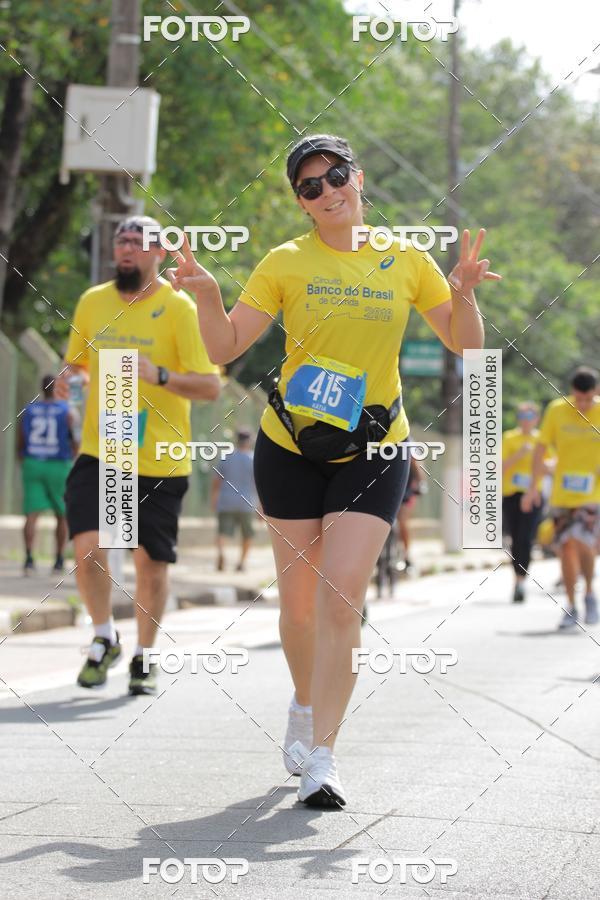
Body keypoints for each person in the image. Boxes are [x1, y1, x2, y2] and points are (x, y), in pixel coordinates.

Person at [166, 134, 500, 807]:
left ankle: (323, 754)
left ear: (358, 177)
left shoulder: (405, 259)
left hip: (376, 447)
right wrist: (205, 295)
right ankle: (301, 699)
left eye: (335, 176)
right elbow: (227, 344)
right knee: (297, 605)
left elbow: (467, 344)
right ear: (301, 203)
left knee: (342, 593)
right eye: (310, 187)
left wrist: (461, 292)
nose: (327, 192)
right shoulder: (285, 262)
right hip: (289, 444)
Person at [57, 215, 221, 694]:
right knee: (89, 548)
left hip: (160, 459)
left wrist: (161, 377)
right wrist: (71, 377)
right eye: (120, 241)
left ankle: (144, 655)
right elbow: (79, 361)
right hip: (104, 451)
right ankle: (104, 635)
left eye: (138, 242)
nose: (127, 249)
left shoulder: (179, 308)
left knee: (150, 564)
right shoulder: (92, 303)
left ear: (158, 253)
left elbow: (210, 386)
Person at [522, 367, 600, 629]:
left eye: (588, 399)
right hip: (561, 495)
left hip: (593, 494)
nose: (583, 405)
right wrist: (533, 487)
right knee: (565, 547)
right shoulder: (557, 410)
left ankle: (589, 591)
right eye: (579, 399)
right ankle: (571, 605)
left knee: (583, 541)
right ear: (572, 393)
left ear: (595, 393)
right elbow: (540, 449)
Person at [18, 374, 77, 574]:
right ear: (57, 388)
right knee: (61, 513)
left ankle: (28, 559)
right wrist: (74, 458)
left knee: (31, 514)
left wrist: (23, 459)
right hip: (58, 463)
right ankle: (59, 559)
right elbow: (74, 438)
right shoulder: (66, 411)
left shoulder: (29, 410)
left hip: (33, 461)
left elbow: (21, 439)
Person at [501, 402, 545, 602]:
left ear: (536, 419)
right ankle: (517, 578)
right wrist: (519, 454)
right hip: (512, 495)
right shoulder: (510, 438)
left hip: (534, 494)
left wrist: (541, 462)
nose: (526, 421)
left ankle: (521, 581)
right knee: (514, 538)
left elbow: (553, 466)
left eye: (530, 417)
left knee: (526, 538)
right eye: (522, 417)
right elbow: (498, 467)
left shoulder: (542, 439)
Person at [211, 428, 258, 572]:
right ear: (249, 441)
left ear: (236, 441)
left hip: (226, 500)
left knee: (222, 532)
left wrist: (214, 499)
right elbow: (259, 484)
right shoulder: (254, 459)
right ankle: (242, 562)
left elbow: (217, 481)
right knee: (247, 534)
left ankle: (221, 554)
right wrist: (261, 506)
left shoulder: (226, 457)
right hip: (247, 502)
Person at [397, 454, 424, 575]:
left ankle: (406, 556)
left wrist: (420, 484)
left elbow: (418, 466)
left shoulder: (410, 444)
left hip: (407, 491)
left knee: (402, 521)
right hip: (390, 486)